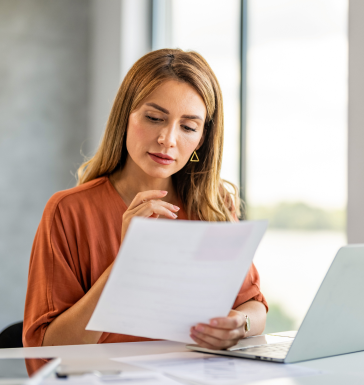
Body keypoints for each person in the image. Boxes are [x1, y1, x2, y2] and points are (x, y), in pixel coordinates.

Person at [23, 49, 268, 349]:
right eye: (154, 118)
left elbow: (254, 307)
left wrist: (239, 325)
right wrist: (127, 263)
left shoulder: (213, 204)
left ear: (202, 139)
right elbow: (46, 349)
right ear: (125, 116)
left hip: (193, 382)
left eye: (188, 127)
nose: (168, 139)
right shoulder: (68, 211)